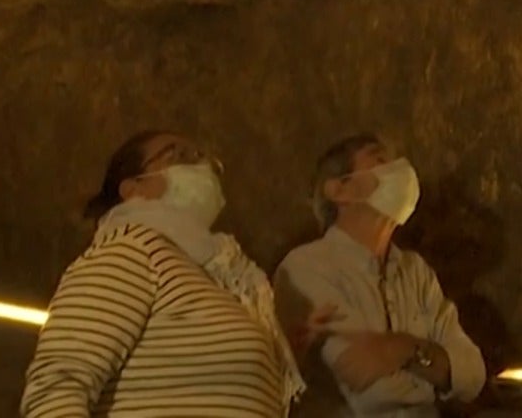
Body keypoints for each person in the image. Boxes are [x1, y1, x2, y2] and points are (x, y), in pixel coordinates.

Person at [21, 130, 316, 418]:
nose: (201, 167)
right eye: (178, 156)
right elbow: (57, 386)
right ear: (133, 189)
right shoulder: (132, 250)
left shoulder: (225, 279)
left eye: (202, 158)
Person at [274, 134, 486, 416]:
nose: (401, 171)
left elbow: (472, 374)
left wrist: (403, 348)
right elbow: (370, 392)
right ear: (339, 190)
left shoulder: (415, 271)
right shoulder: (307, 267)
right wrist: (435, 373)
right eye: (380, 160)